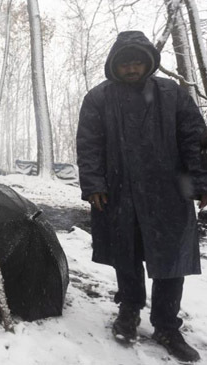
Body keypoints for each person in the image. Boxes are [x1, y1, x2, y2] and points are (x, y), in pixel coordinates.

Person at [77, 30, 207, 362]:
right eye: (125, 64)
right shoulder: (99, 98)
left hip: (170, 193)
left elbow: (195, 139)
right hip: (119, 193)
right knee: (127, 254)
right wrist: (93, 184)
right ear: (114, 65)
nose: (132, 69)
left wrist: (202, 183)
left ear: (148, 62)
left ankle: (166, 325)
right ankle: (129, 311)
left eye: (137, 62)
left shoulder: (172, 94)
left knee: (170, 261)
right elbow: (89, 145)